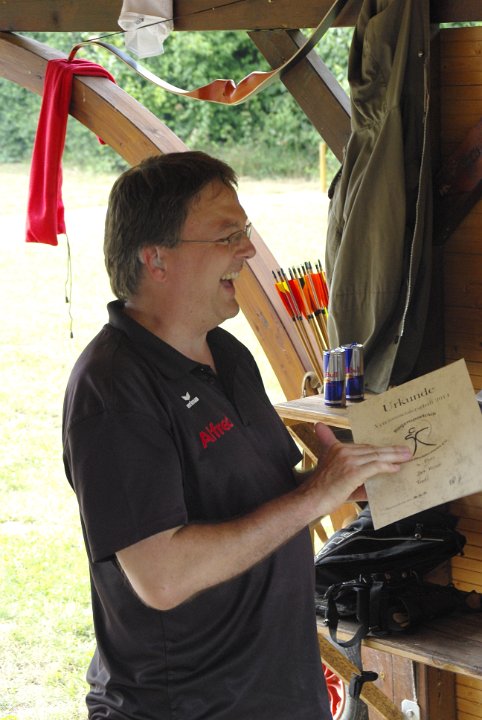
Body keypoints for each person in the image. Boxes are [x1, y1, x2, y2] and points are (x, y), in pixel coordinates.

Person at [62, 151, 412, 720]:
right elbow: (162, 577)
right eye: (228, 236)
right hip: (188, 707)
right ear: (156, 258)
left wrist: (333, 484)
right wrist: (314, 494)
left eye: (245, 232)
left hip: (279, 693)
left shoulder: (227, 353)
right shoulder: (113, 389)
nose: (247, 250)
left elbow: (250, 496)